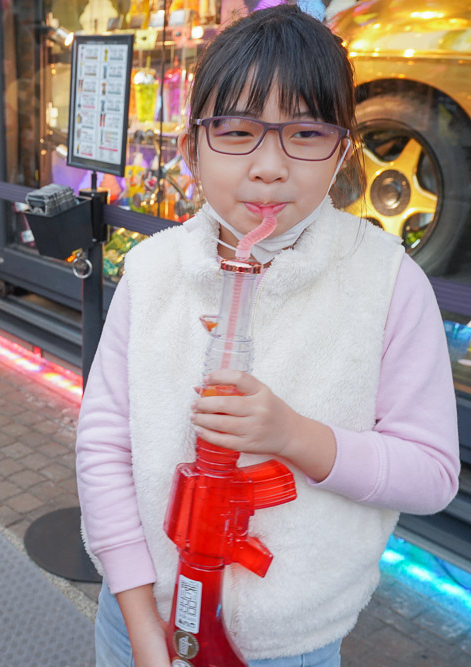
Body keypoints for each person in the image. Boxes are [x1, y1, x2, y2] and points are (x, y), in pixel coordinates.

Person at [75, 6, 460, 666]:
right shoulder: (154, 269)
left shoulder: (386, 284)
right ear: (191, 146)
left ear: (343, 148)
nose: (270, 166)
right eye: (237, 131)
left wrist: (294, 436)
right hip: (137, 617)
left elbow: (432, 473)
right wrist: (140, 619)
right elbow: (104, 441)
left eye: (305, 133)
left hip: (292, 645)